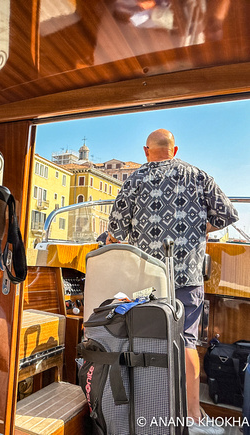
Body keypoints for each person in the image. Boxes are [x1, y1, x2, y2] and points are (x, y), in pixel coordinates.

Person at [107, 129, 238, 434]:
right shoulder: (197, 174)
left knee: (147, 341)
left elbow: (116, 230)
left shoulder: (134, 180)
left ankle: (152, 411)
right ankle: (192, 417)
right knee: (187, 343)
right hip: (187, 276)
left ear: (146, 151)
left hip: (148, 279)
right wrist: (197, 229)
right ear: (174, 149)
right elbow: (226, 215)